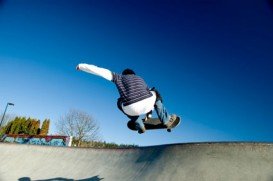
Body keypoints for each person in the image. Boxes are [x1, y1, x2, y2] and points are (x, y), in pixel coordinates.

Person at [76, 63, 178, 134]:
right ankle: (165, 119)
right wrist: (149, 114)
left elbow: (99, 71)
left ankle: (139, 124)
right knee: (154, 91)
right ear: (133, 74)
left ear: (124, 74)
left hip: (130, 109)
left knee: (119, 101)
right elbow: (147, 97)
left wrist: (81, 66)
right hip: (148, 104)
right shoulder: (140, 78)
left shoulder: (118, 77)